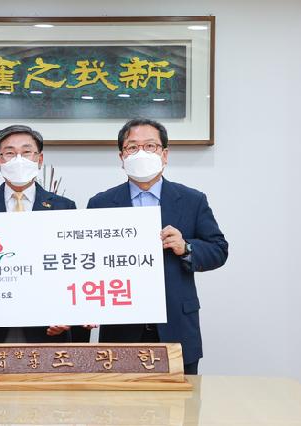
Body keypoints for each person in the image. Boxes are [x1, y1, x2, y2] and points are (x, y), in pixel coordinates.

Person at [87, 118, 228, 374]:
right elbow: (87, 262)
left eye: (150, 146)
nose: (141, 153)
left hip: (177, 324)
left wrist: (186, 247)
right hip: (121, 329)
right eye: (132, 147)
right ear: (122, 157)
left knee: (180, 399)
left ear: (164, 154)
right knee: (120, 399)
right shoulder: (101, 204)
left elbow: (219, 250)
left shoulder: (192, 200)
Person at [0, 124, 77, 349]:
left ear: (39, 159)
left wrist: (68, 315)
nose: (19, 160)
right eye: (10, 153)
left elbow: (71, 267)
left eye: (26, 152)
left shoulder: (63, 207)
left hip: (47, 327)